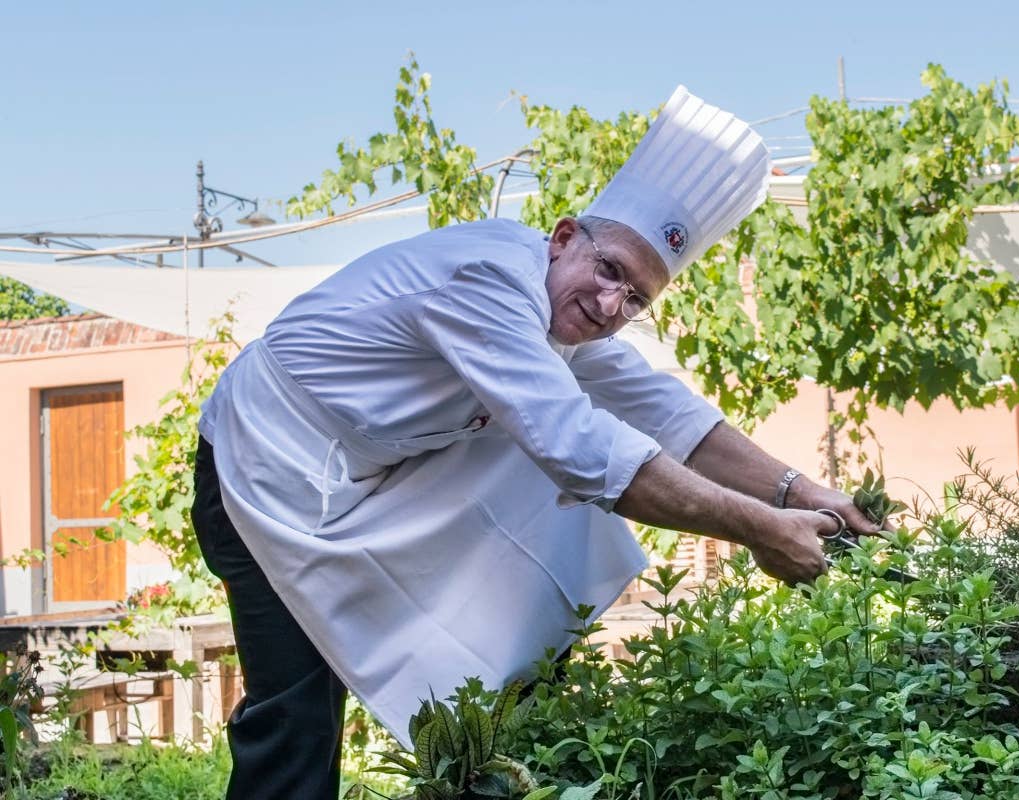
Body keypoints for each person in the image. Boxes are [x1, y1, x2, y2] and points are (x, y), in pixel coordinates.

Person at [191, 86, 879, 800]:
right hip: (258, 464)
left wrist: (799, 491)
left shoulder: (568, 321)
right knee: (297, 712)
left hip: (365, 479)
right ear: (561, 237)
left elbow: (670, 416)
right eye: (610, 269)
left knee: (588, 465)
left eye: (637, 297)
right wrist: (761, 530)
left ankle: (484, 746)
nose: (613, 304)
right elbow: (582, 448)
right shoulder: (490, 281)